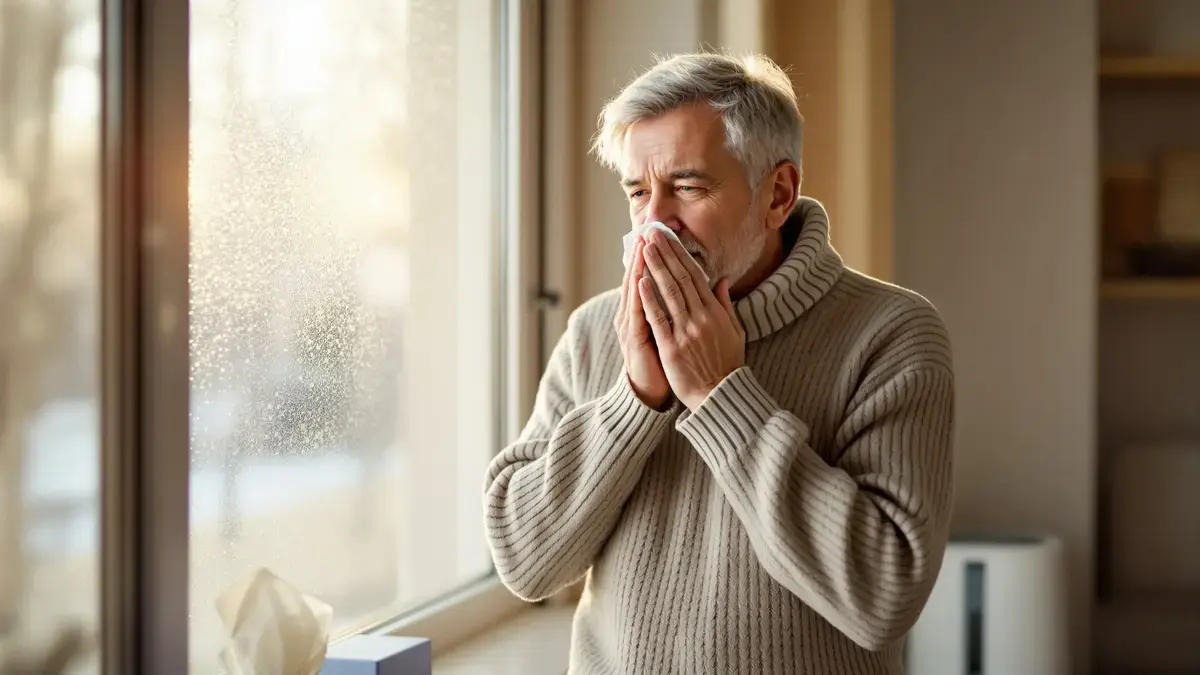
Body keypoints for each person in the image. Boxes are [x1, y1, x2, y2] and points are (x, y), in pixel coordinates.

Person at [483, 51, 955, 675]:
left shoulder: (892, 334)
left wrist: (719, 392)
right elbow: (525, 562)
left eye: (688, 186)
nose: (655, 221)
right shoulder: (599, 332)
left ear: (778, 195)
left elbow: (883, 598)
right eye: (637, 192)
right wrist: (634, 400)